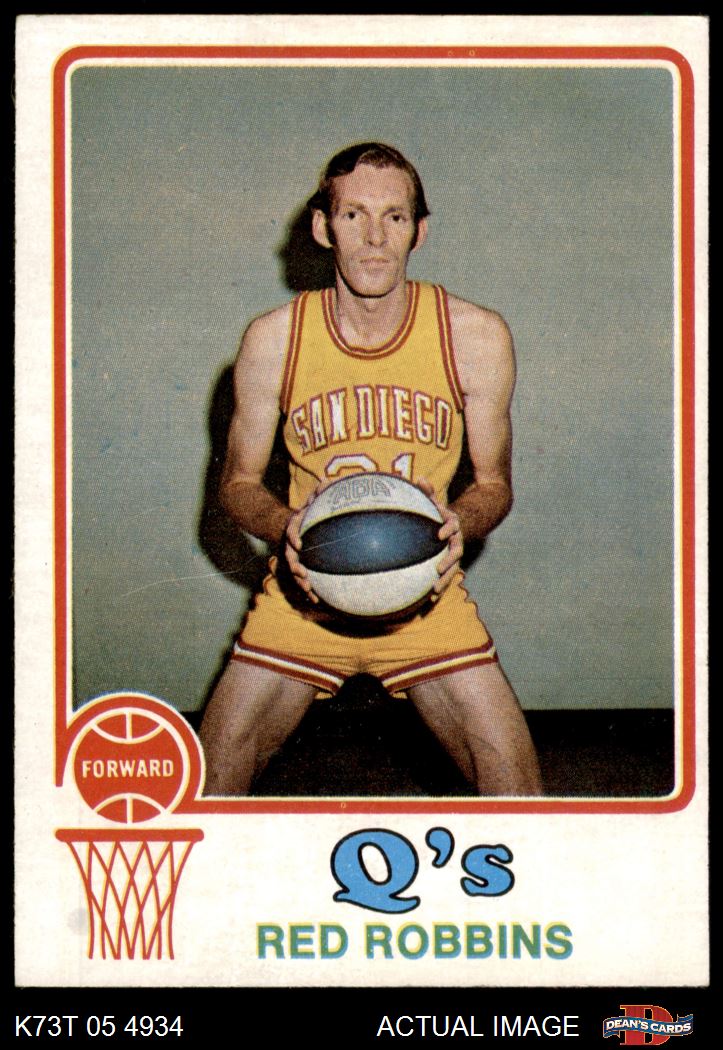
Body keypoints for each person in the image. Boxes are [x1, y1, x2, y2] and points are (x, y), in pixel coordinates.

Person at [199, 142, 542, 797]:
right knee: (206, 796)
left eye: (394, 216)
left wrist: (459, 521)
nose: (375, 238)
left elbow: (494, 485)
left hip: (423, 595)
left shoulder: (473, 335)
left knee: (520, 797)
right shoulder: (273, 338)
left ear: (419, 230)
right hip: (302, 597)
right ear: (322, 227)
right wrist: (285, 526)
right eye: (354, 215)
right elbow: (238, 484)